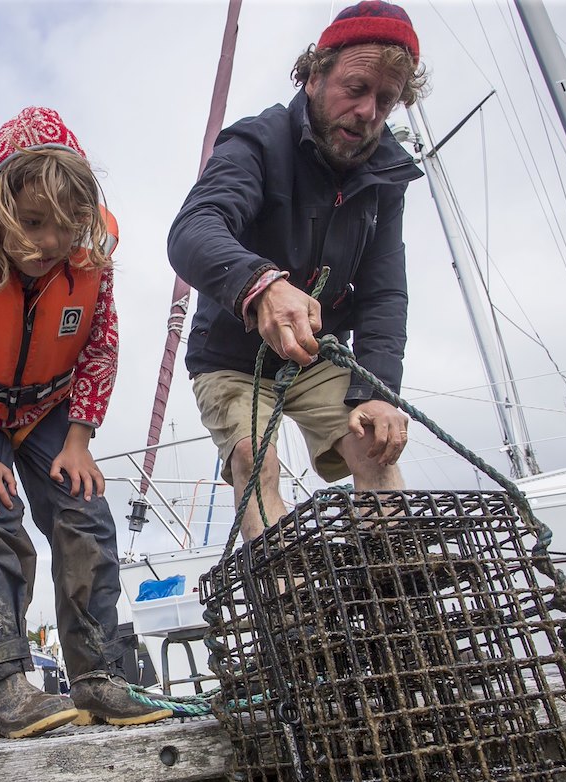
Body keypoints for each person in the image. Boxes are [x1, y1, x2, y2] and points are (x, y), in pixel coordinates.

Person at [0, 106, 173, 740]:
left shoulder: (92, 263)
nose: (47, 244)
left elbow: (100, 347)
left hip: (54, 406)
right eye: (31, 224)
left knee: (84, 513)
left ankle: (99, 677)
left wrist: (81, 439)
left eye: (64, 228)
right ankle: (5, 686)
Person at [168, 0, 428, 541]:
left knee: (373, 442)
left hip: (317, 350)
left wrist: (380, 390)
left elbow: (385, 293)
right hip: (231, 355)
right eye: (356, 88)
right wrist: (261, 285)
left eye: (386, 100)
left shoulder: (386, 177)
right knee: (252, 460)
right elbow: (194, 229)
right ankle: (289, 608)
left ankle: (396, 591)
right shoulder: (256, 143)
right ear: (314, 75)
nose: (368, 111)